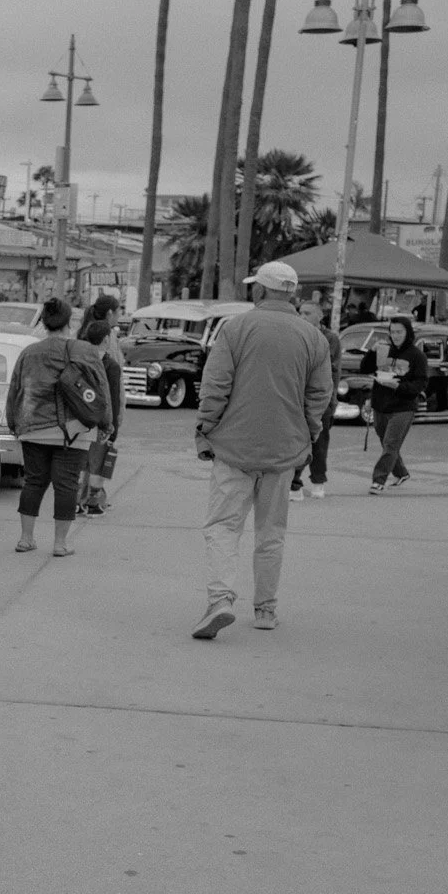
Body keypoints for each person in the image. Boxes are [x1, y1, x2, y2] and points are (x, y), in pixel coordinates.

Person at [191, 262, 330, 638]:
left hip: (233, 447)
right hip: (284, 450)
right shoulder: (312, 336)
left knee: (223, 527)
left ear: (259, 291)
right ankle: (265, 610)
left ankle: (220, 599)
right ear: (293, 294)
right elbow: (319, 395)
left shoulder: (236, 329)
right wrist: (307, 434)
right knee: (271, 533)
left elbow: (215, 385)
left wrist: (205, 428)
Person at [6, 297, 111, 554]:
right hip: (73, 431)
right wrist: (106, 425)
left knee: (34, 483)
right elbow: (101, 389)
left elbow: (15, 391)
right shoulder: (84, 351)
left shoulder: (28, 353)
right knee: (67, 485)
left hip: (33, 429)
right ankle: (60, 544)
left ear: (44, 322)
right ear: (69, 321)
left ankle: (26, 539)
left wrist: (13, 423)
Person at [362, 315, 429, 493]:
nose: (396, 335)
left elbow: (420, 384)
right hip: (380, 403)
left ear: (408, 332)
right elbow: (365, 369)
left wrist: (399, 386)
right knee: (386, 442)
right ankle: (401, 472)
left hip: (403, 406)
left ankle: (378, 480)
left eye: (399, 332)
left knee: (391, 443)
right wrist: (372, 352)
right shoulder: (385, 350)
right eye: (393, 332)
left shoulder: (417, 356)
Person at [287, 307, 342, 501]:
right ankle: (294, 483)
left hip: (322, 400)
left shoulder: (329, 339)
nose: (303, 316)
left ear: (320, 316)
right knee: (297, 442)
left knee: (319, 442)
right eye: (301, 312)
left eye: (308, 313)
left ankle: (318, 481)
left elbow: (329, 370)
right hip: (296, 398)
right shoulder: (294, 334)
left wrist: (331, 400)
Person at [79, 318, 125, 514]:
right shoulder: (110, 366)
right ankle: (93, 503)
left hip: (80, 420)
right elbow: (113, 399)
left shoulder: (79, 360)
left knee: (82, 462)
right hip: (101, 422)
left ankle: (76, 501)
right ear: (106, 339)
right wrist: (113, 427)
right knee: (98, 463)